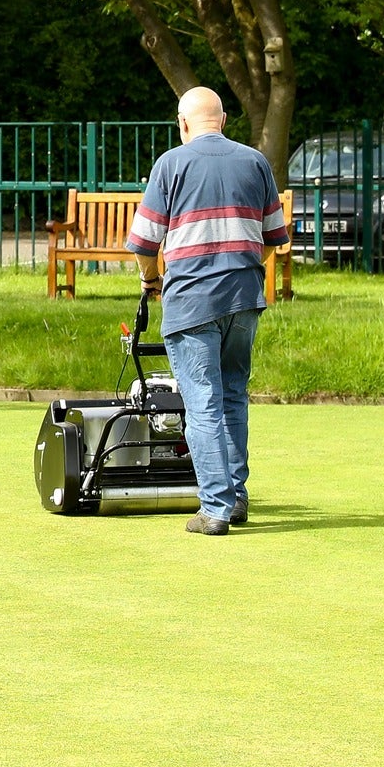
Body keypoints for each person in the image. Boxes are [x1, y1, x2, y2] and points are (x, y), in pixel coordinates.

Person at [125, 88, 288, 536]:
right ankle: (235, 497)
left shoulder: (171, 164)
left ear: (182, 124)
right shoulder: (255, 162)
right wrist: (246, 268)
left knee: (203, 404)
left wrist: (151, 280)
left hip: (192, 299)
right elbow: (275, 238)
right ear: (225, 119)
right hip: (244, 298)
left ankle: (214, 507)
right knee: (234, 395)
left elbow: (143, 243)